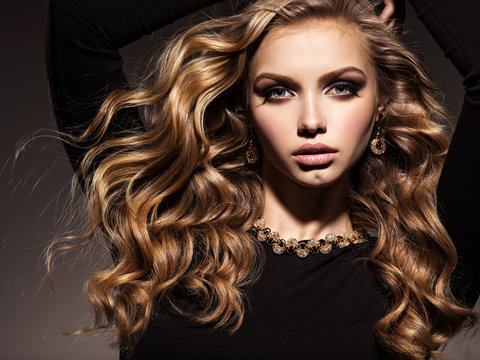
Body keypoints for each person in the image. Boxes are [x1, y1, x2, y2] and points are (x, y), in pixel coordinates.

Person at [45, 0, 479, 358]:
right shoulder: (164, 233)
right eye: (278, 91)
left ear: (381, 103)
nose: (311, 121)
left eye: (342, 87)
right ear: (246, 109)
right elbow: (78, 23)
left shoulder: (424, 262)